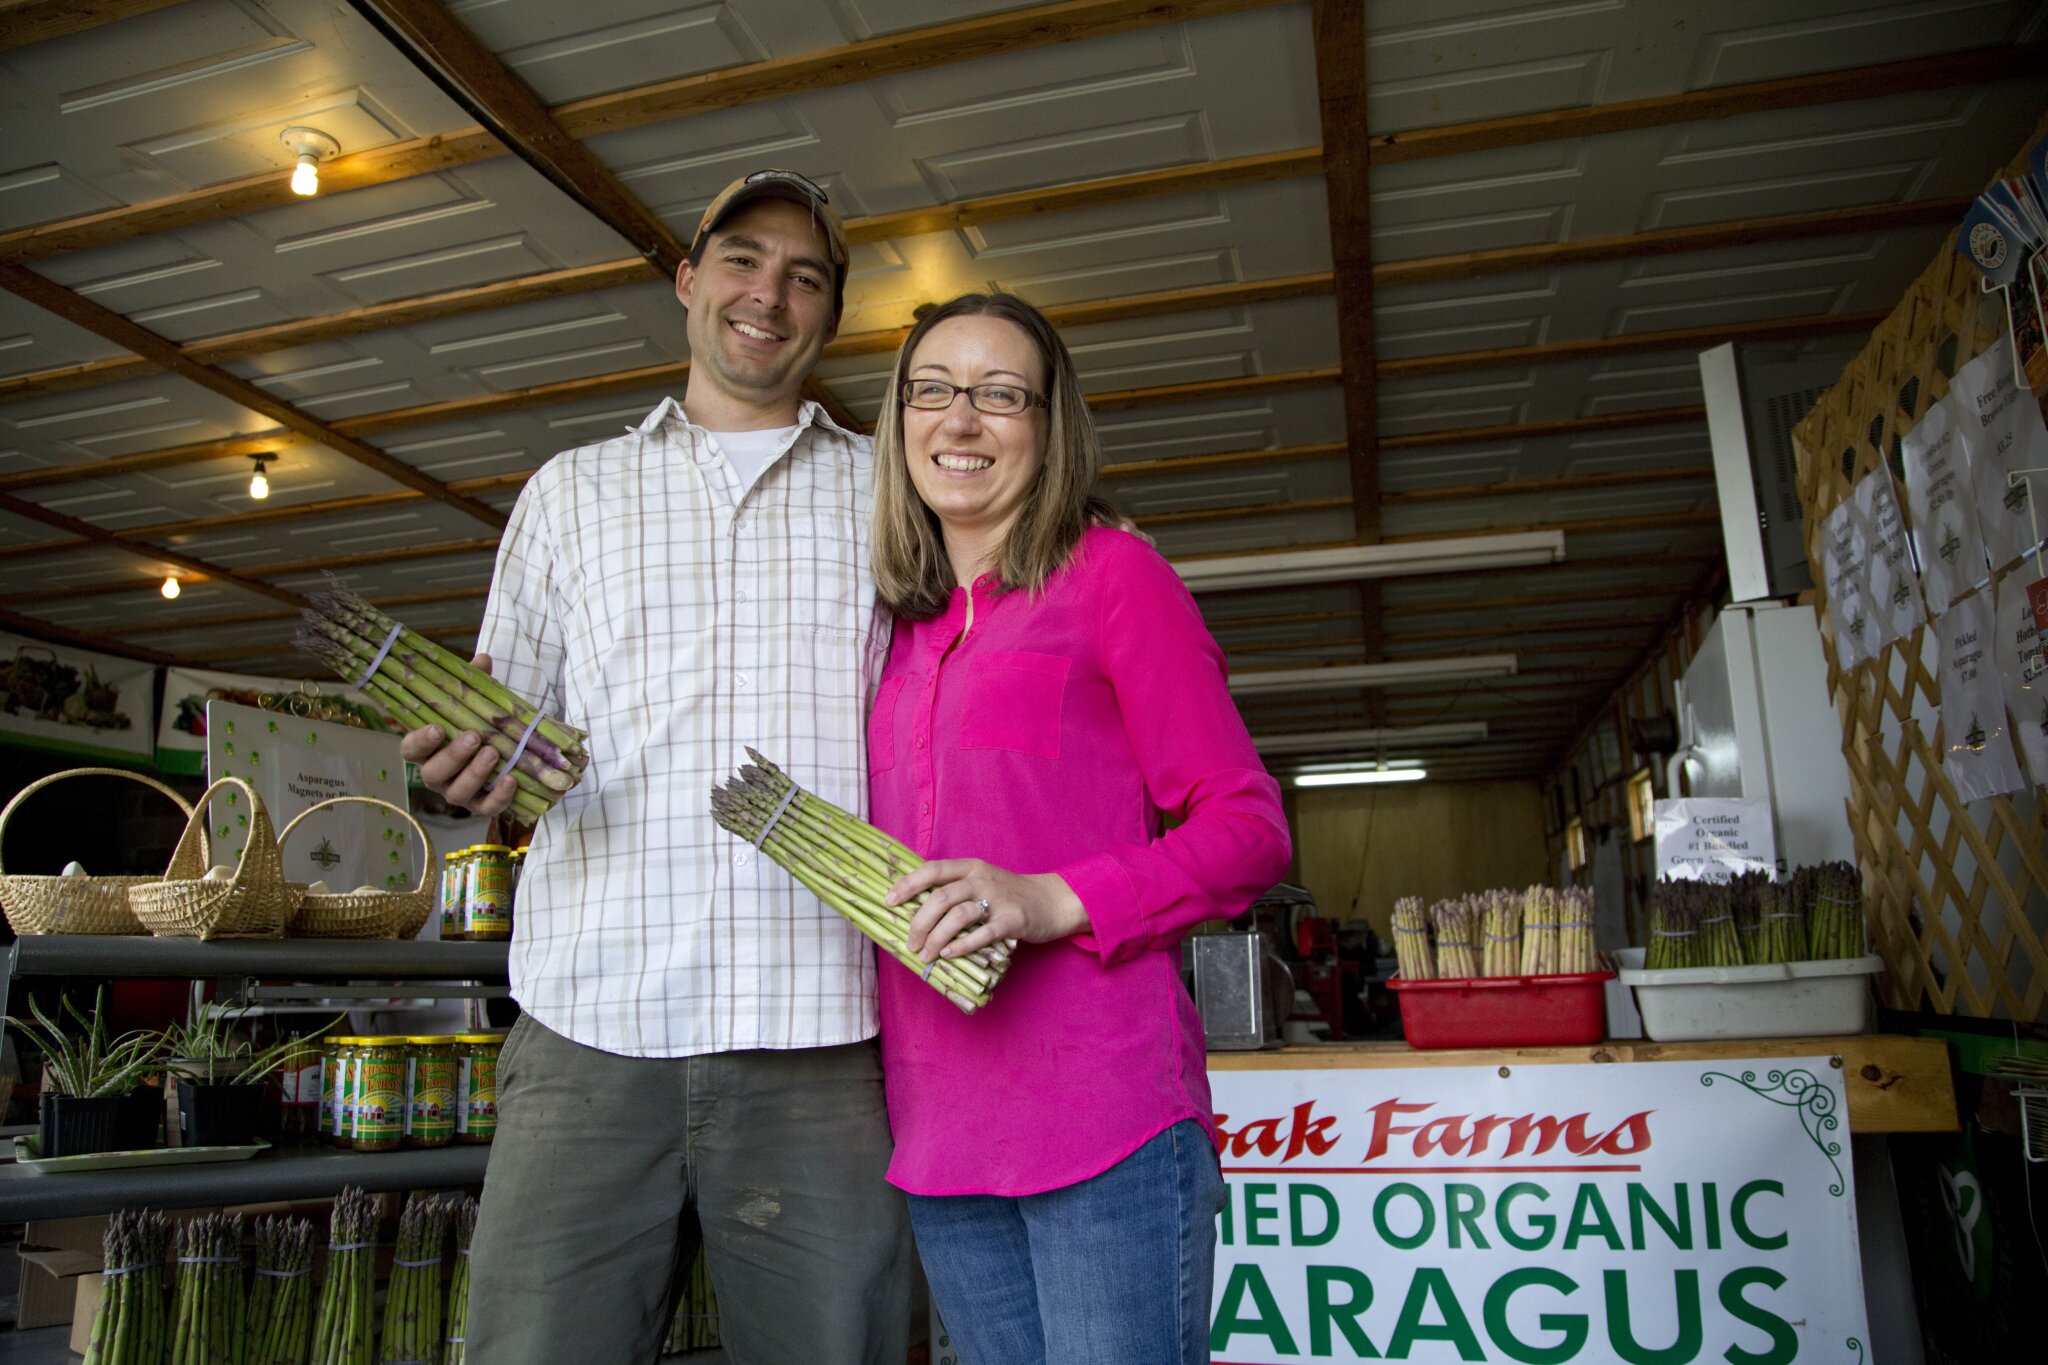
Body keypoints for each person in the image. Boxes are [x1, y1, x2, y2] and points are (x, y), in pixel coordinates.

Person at [398, 170, 910, 1365]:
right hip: (589, 1032)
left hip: (822, 1037)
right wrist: (452, 771)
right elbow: (497, 732)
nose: (766, 295)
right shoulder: (569, 494)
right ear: (688, 282)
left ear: (830, 314)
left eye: (804, 276)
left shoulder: (894, 494)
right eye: (740, 259)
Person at [864, 292, 1292, 1365]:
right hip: (936, 1139)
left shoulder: (1112, 579)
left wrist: (1048, 896)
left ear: (1050, 428)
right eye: (933, 391)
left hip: (1100, 1121)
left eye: (999, 395)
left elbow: (1248, 828)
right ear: (899, 418)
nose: (960, 421)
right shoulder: (890, 635)